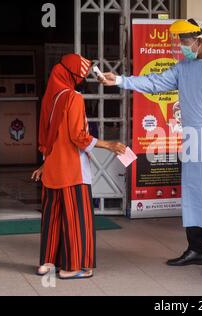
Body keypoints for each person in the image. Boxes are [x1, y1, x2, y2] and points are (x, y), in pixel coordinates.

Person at [100, 19, 202, 277]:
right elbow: (155, 82)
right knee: (192, 194)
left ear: (199, 40)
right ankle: (197, 249)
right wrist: (121, 80)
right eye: (179, 42)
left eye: (184, 42)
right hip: (190, 138)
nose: (181, 47)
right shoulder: (184, 67)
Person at [32, 54, 126, 280]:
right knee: (77, 220)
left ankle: (47, 263)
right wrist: (108, 144)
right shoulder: (73, 97)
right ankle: (77, 267)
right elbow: (79, 137)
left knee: (52, 219)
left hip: (52, 169)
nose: (82, 80)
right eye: (81, 76)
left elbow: (47, 137)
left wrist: (45, 165)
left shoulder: (49, 97)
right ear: (72, 76)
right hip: (73, 170)